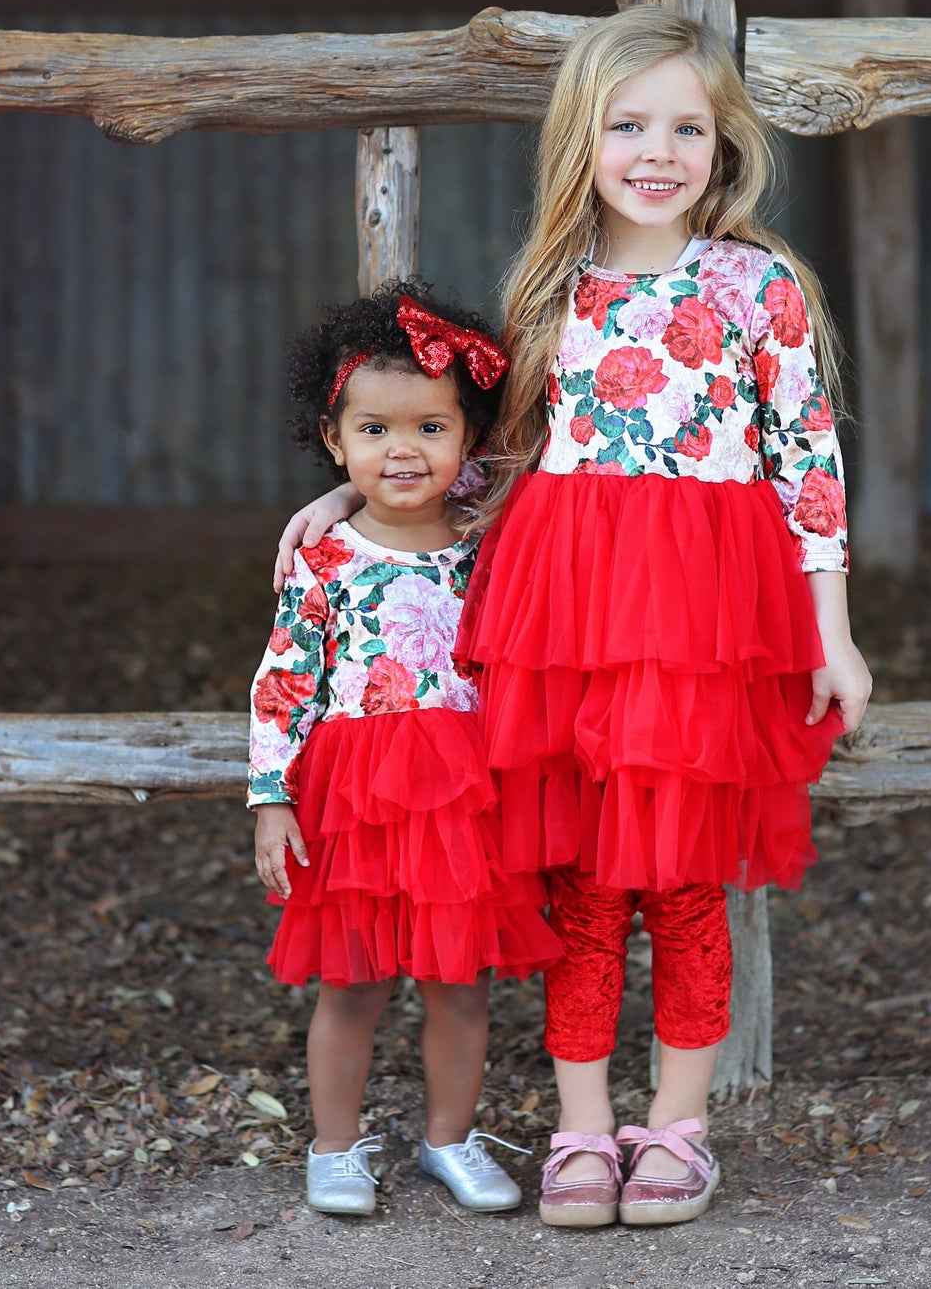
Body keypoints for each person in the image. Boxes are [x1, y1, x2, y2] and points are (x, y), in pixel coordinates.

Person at [273, 7, 873, 1228]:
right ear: (581, 139)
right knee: (583, 885)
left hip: (708, 621)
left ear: (725, 142)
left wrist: (833, 627)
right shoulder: (549, 289)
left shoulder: (758, 285)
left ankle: (679, 1127)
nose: (658, 151)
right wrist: (351, 483)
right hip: (572, 625)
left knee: (687, 884)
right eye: (628, 123)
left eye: (686, 127)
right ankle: (582, 1127)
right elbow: (496, 458)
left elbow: (806, 462)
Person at [249, 281, 562, 1217]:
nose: (403, 450)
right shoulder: (325, 556)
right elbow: (283, 679)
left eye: (432, 428)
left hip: (464, 794)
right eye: (376, 431)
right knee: (350, 983)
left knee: (460, 984)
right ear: (335, 443)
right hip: (355, 797)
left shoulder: (488, 543)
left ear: (467, 442)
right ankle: (335, 1148)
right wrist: (271, 796)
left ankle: (450, 1140)